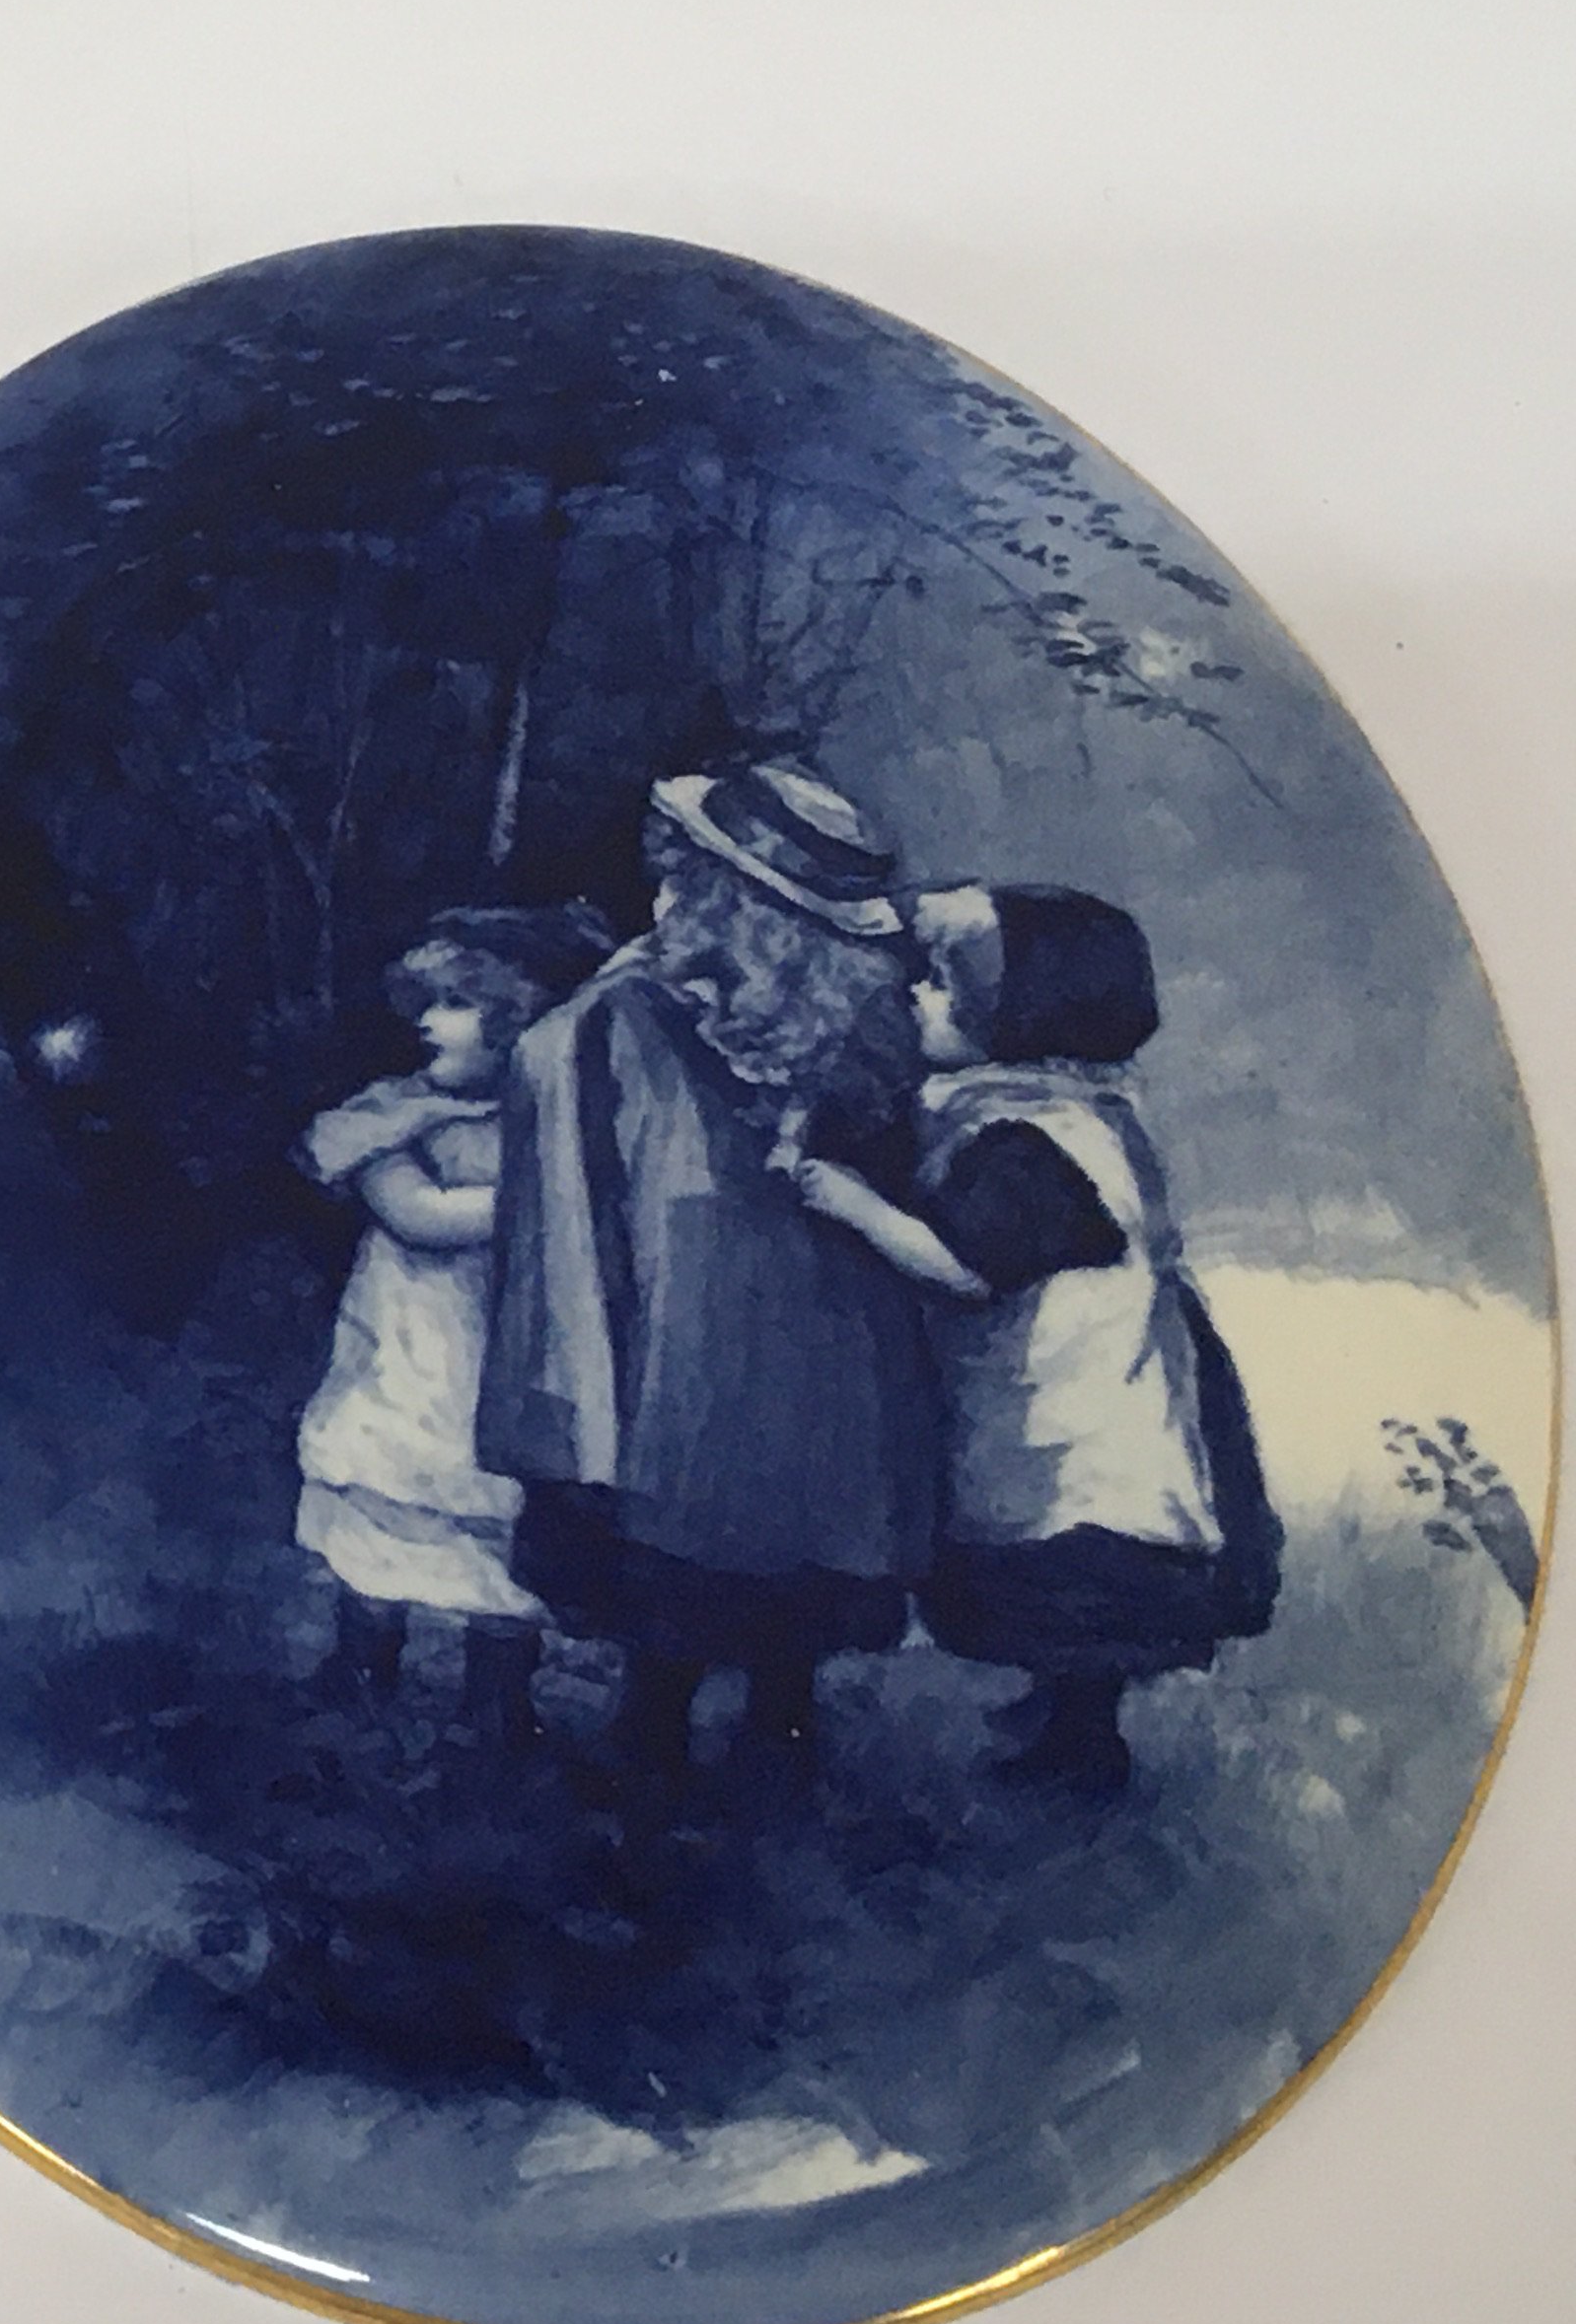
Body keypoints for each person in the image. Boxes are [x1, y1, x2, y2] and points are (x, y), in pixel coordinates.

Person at [480, 762, 944, 1799]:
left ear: (725, 897)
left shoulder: (844, 1027)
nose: (668, 896)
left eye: (686, 877)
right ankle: (692, 1733)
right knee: (701, 1530)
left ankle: (743, 1732)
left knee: (750, 1526)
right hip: (708, 1333)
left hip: (772, 1340)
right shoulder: (634, 1015)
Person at [780, 885, 1278, 1794]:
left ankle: (1081, 1744)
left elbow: (965, 1267)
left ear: (1013, 1018)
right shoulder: (1066, 1110)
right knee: (1073, 1576)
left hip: (1080, 1417)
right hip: (1098, 1387)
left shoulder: (1028, 1140)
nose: (918, 996)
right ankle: (1068, 1716)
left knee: (1075, 1569)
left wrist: (851, 1204)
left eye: (943, 985)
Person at [291, 904, 615, 1751]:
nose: (428, 1022)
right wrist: (550, 1207)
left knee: (500, 1537)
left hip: (506, 1359)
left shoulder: (555, 1123)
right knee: (383, 1514)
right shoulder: (393, 1113)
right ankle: (363, 1671)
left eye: (457, 1004)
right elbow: (419, 1215)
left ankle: (497, 1703)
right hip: (408, 1358)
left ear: (517, 1017)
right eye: (428, 1002)